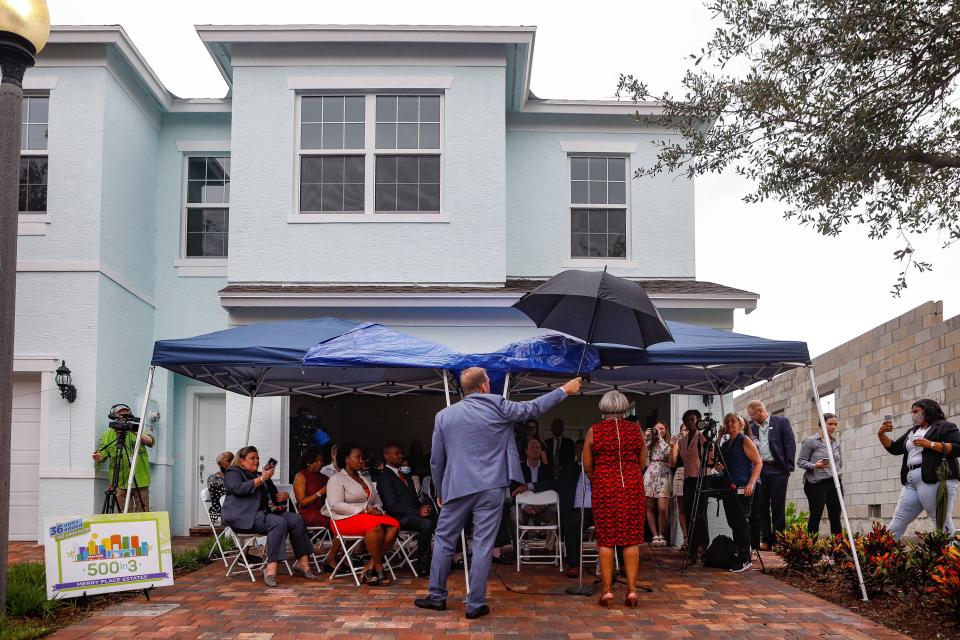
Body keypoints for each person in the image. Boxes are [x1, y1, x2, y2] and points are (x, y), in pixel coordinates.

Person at [415, 367, 580, 620]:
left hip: (456, 486)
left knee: (444, 541)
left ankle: (437, 596)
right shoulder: (497, 405)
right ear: (483, 386)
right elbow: (533, 408)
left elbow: (437, 461)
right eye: (488, 381)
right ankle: (474, 604)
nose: (490, 384)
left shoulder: (444, 416)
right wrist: (564, 390)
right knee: (482, 545)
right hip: (491, 486)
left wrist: (439, 489)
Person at [583, 390, 646, 608]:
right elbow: (642, 462)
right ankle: (631, 591)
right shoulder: (635, 430)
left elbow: (587, 465)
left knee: (606, 539)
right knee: (630, 540)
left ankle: (607, 591)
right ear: (624, 408)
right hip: (632, 487)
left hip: (605, 488)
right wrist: (628, 475)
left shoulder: (595, 430)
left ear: (603, 408)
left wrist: (600, 476)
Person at [222, 445, 318, 587]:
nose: (256, 461)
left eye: (257, 458)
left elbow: (272, 495)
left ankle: (303, 565)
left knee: (296, 519)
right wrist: (262, 478)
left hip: (263, 514)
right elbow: (238, 489)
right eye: (252, 458)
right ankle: (270, 570)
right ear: (242, 460)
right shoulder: (233, 472)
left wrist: (281, 496)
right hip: (244, 517)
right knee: (277, 522)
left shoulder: (259, 474)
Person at [879, 399, 960, 539]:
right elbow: (895, 448)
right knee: (898, 521)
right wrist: (881, 434)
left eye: (916, 411)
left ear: (927, 410)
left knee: (941, 520)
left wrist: (931, 444)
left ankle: (951, 557)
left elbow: (958, 447)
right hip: (911, 481)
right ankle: (881, 556)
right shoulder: (913, 431)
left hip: (934, 477)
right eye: (912, 412)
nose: (913, 415)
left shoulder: (944, 426)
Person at [325, 443, 400, 585]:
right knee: (376, 526)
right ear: (347, 459)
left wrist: (376, 509)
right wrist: (363, 510)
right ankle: (378, 566)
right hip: (344, 519)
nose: (361, 460)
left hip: (367, 516)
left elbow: (375, 500)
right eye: (357, 457)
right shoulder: (336, 479)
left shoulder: (364, 478)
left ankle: (370, 565)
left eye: (362, 457)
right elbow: (335, 505)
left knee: (394, 525)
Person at [713, 413, 763, 572]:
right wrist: (719, 437)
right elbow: (716, 459)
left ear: (741, 424)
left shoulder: (745, 440)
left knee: (742, 522)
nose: (730, 424)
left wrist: (751, 483)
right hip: (729, 487)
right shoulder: (727, 444)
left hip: (743, 486)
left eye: (733, 421)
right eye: (727, 422)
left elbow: (758, 463)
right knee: (733, 522)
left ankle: (745, 558)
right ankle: (740, 554)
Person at [746, 400, 796, 551]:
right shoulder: (753, 428)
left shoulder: (781, 422)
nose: (752, 418)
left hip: (778, 470)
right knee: (761, 507)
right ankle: (766, 540)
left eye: (753, 415)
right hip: (761, 470)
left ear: (760, 411)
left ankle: (779, 541)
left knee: (777, 506)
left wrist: (787, 466)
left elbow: (790, 443)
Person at [379, 443, 436, 574]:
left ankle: (442, 560)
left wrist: (423, 507)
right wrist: (418, 512)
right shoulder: (385, 477)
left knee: (439, 517)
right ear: (386, 456)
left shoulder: (405, 475)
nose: (401, 456)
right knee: (426, 524)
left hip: (411, 514)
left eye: (401, 453)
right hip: (398, 517)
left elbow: (414, 500)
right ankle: (423, 565)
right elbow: (391, 506)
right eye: (397, 453)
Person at [92, 404, 155, 512]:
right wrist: (98, 457)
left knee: (143, 511)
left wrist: (133, 429)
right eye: (121, 415)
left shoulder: (136, 431)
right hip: (119, 482)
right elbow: (102, 455)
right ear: (114, 415)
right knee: (124, 512)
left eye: (126, 415)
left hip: (140, 479)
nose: (123, 417)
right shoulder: (108, 434)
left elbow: (150, 442)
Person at [292, 446, 342, 573]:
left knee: (347, 520)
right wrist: (320, 492)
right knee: (340, 524)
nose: (320, 463)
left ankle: (337, 557)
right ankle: (331, 558)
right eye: (316, 461)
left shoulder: (323, 477)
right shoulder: (301, 476)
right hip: (308, 513)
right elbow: (302, 502)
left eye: (321, 461)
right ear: (308, 462)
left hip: (324, 511)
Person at [797, 413, 844, 536]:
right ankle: (811, 549)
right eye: (830, 424)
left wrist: (838, 478)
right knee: (816, 515)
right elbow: (800, 462)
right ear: (821, 424)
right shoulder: (811, 441)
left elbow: (840, 464)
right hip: (815, 483)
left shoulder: (836, 443)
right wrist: (814, 466)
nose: (833, 427)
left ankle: (838, 549)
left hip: (834, 482)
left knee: (835, 516)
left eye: (835, 424)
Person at [513, 438, 558, 552]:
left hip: (543, 507)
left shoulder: (547, 469)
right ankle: (517, 549)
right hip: (524, 507)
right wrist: (525, 506)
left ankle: (549, 548)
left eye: (538, 447)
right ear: (526, 451)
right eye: (532, 447)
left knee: (554, 512)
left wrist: (543, 505)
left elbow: (551, 487)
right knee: (514, 515)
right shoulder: (519, 469)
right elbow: (514, 490)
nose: (536, 450)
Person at [676, 409, 709, 560]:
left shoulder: (703, 437)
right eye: (687, 420)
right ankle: (692, 546)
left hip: (702, 478)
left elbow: (710, 458)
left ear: (698, 420)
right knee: (689, 512)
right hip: (688, 478)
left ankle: (703, 545)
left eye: (692, 420)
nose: (690, 423)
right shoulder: (682, 441)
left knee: (700, 513)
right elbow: (684, 459)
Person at [560, 439, 591, 577]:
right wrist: (531, 486)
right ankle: (574, 565)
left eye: (586, 449)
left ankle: (620, 563)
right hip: (579, 509)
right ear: (576, 452)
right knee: (571, 526)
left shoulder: (600, 467)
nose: (583, 452)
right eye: (580, 449)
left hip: (599, 507)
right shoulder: (569, 468)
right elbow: (556, 484)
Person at [644, 421, 672, 547]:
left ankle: (662, 534)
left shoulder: (668, 442)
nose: (659, 431)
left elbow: (667, 452)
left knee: (663, 508)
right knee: (649, 507)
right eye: (656, 429)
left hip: (664, 473)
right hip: (650, 473)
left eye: (661, 429)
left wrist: (659, 438)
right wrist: (646, 440)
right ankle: (655, 535)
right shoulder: (650, 442)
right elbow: (643, 455)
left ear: (666, 430)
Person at [669, 423, 688, 550]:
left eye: (686, 430)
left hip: (694, 473)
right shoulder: (678, 443)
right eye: (682, 430)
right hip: (680, 473)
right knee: (682, 509)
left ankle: (696, 539)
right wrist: (672, 447)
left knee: (695, 508)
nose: (684, 432)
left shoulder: (698, 440)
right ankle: (686, 539)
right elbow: (672, 463)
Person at [206, 450, 234, 524]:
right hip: (218, 513)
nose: (232, 463)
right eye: (229, 460)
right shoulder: (214, 478)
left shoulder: (233, 476)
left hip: (234, 511)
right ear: (219, 463)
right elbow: (229, 493)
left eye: (233, 460)